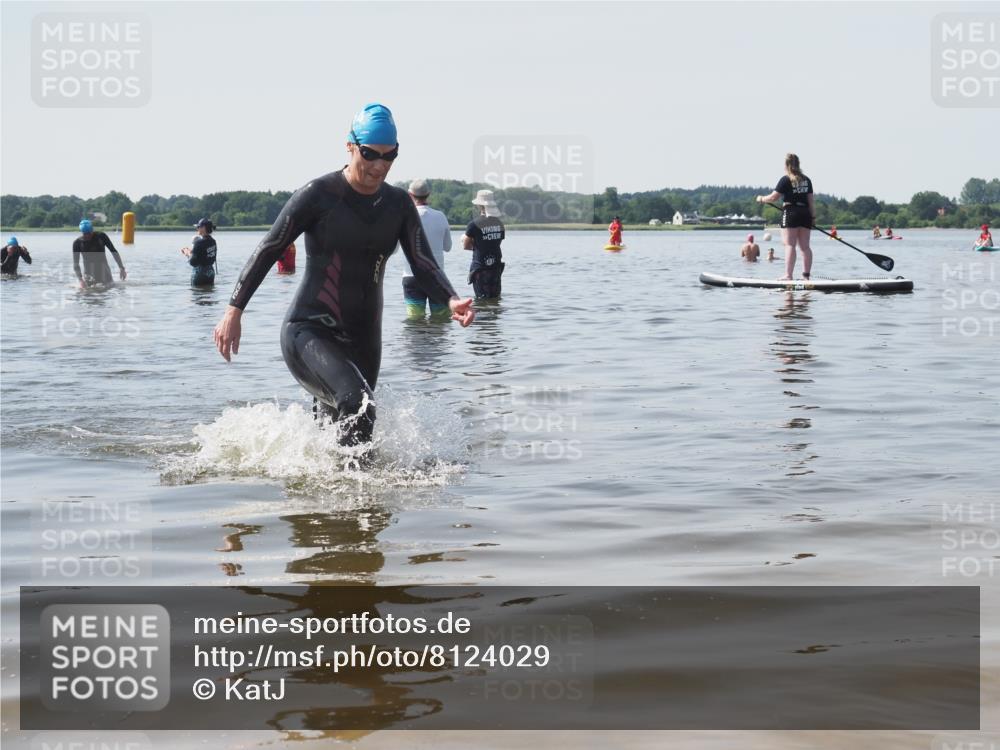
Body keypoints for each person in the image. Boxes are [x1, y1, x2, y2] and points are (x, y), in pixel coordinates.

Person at [213, 103, 475, 446]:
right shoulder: (319, 195)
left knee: (343, 420)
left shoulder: (397, 205)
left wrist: (451, 298)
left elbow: (423, 262)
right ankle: (354, 493)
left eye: (389, 156)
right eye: (369, 154)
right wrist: (234, 310)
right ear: (350, 146)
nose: (379, 166)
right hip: (309, 331)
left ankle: (339, 495)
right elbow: (269, 248)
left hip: (365, 338)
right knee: (358, 404)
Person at [756, 153, 815, 280]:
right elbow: (811, 201)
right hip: (805, 213)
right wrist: (813, 217)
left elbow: (773, 197)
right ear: (798, 164)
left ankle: (788, 275)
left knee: (790, 245)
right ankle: (806, 277)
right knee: (805, 246)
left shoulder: (786, 179)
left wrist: (761, 199)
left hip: (791, 213)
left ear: (787, 165)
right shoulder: (807, 180)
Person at [401, 178, 452, 318]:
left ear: (410, 195)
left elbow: (392, 250)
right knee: (440, 320)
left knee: (415, 321)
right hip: (437, 277)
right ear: (428, 194)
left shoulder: (403, 217)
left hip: (411, 276)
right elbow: (447, 247)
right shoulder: (440, 216)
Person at [464, 189, 505, 299]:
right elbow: (497, 243)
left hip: (480, 268)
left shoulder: (473, 224)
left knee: (481, 300)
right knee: (495, 298)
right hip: (496, 267)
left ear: (479, 205)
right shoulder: (499, 223)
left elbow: (466, 245)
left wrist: (477, 246)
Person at [73, 219, 127, 288]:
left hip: (104, 271)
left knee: (108, 291)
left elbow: (113, 251)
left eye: (89, 233)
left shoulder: (101, 236)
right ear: (82, 232)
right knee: (87, 294)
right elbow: (76, 264)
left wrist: (121, 268)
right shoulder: (77, 243)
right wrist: (80, 280)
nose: (87, 236)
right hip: (89, 274)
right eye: (85, 234)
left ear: (92, 230)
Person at [181, 218, 218, 287]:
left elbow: (192, 262)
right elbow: (206, 255)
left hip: (200, 274)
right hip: (210, 273)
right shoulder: (213, 241)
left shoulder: (198, 243)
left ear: (203, 228)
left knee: (197, 295)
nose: (197, 229)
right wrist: (191, 252)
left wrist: (187, 253)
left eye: (198, 227)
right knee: (209, 295)